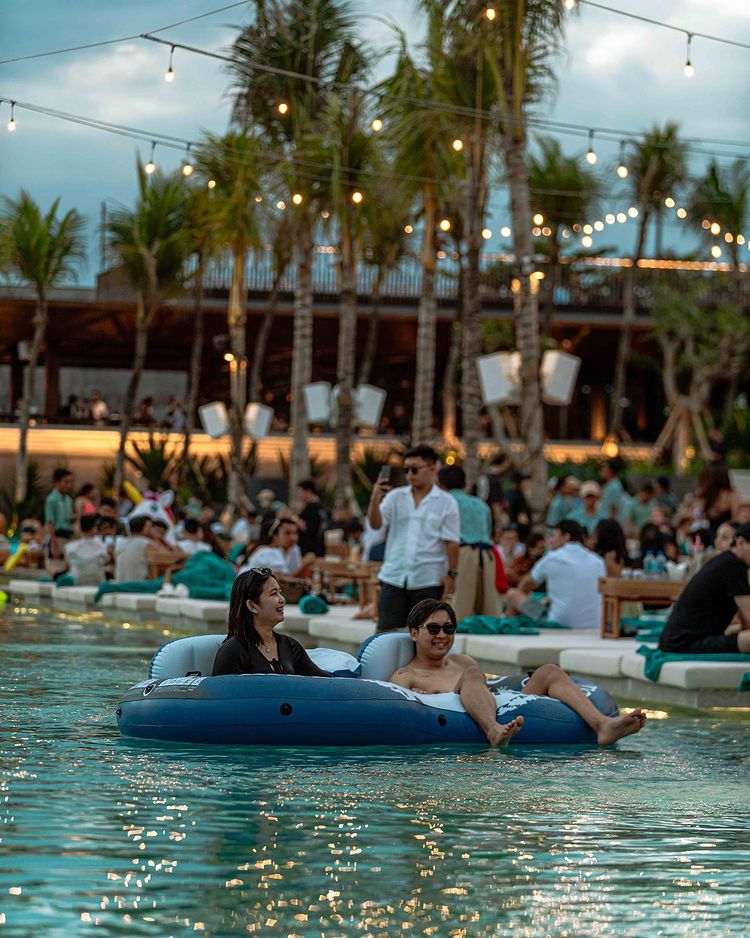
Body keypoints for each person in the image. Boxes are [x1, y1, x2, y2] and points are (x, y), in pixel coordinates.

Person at [388, 599, 646, 746]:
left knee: (549, 671)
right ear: (413, 633)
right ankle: (492, 731)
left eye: (449, 628)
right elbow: (398, 713)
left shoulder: (461, 661)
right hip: (467, 725)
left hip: (502, 709)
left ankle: (603, 725)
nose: (442, 636)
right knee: (474, 674)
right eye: (433, 629)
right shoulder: (405, 676)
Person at [368, 445, 460, 632]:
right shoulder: (395, 497)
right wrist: (374, 498)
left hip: (428, 578)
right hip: (394, 575)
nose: (410, 474)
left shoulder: (446, 502)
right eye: (406, 469)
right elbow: (376, 525)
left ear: (433, 467)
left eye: (415, 469)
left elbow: (452, 542)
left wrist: (451, 576)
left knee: (424, 636)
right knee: (385, 635)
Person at [212, 568, 333, 676]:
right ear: (252, 605)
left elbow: (324, 681)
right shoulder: (233, 651)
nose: (282, 599)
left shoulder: (290, 646)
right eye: (274, 594)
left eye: (280, 592)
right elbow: (220, 697)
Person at [659, 522, 750, 655]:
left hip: (675, 641)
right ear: (741, 543)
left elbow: (744, 622)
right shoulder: (734, 566)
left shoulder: (727, 561)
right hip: (684, 644)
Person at [506, 520, 606, 631]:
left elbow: (526, 584)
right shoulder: (598, 561)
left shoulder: (552, 558)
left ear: (566, 537)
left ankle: (510, 633)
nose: (550, 541)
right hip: (595, 627)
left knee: (512, 595)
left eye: (553, 536)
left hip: (559, 625)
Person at [438, 465, 503, 620]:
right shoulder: (481, 504)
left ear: (440, 485)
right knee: (488, 611)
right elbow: (489, 531)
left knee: (459, 610)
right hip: (487, 555)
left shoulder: (445, 502)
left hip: (462, 553)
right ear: (465, 483)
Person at [239, 518, 316, 578]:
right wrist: (305, 564)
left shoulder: (294, 549)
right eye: (287, 533)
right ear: (275, 536)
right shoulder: (268, 552)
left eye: (295, 533)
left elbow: (295, 575)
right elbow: (284, 579)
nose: (293, 537)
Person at [64, 515, 109, 585]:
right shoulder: (102, 546)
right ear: (94, 528)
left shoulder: (70, 547)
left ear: (80, 528)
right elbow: (105, 561)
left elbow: (67, 564)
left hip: (77, 581)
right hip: (97, 582)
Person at [696, 465, 740, 535]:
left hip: (710, 532)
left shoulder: (709, 494)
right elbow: (735, 518)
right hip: (725, 532)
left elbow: (698, 512)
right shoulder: (732, 494)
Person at [44, 468, 74, 559]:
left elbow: (67, 518)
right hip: (57, 537)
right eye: (66, 482)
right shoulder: (51, 499)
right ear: (57, 482)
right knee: (56, 567)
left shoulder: (69, 499)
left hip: (68, 537)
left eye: (70, 482)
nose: (69, 485)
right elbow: (50, 522)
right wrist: (54, 543)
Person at [295, 480, 328, 557]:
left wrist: (294, 519)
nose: (299, 495)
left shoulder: (313, 508)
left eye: (301, 492)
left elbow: (308, 528)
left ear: (308, 491)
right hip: (318, 548)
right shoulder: (321, 507)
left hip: (309, 550)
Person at [505, 471, 532, 541]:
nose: (529, 482)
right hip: (519, 534)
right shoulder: (519, 497)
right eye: (526, 480)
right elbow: (523, 519)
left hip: (509, 530)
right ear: (521, 482)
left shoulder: (509, 493)